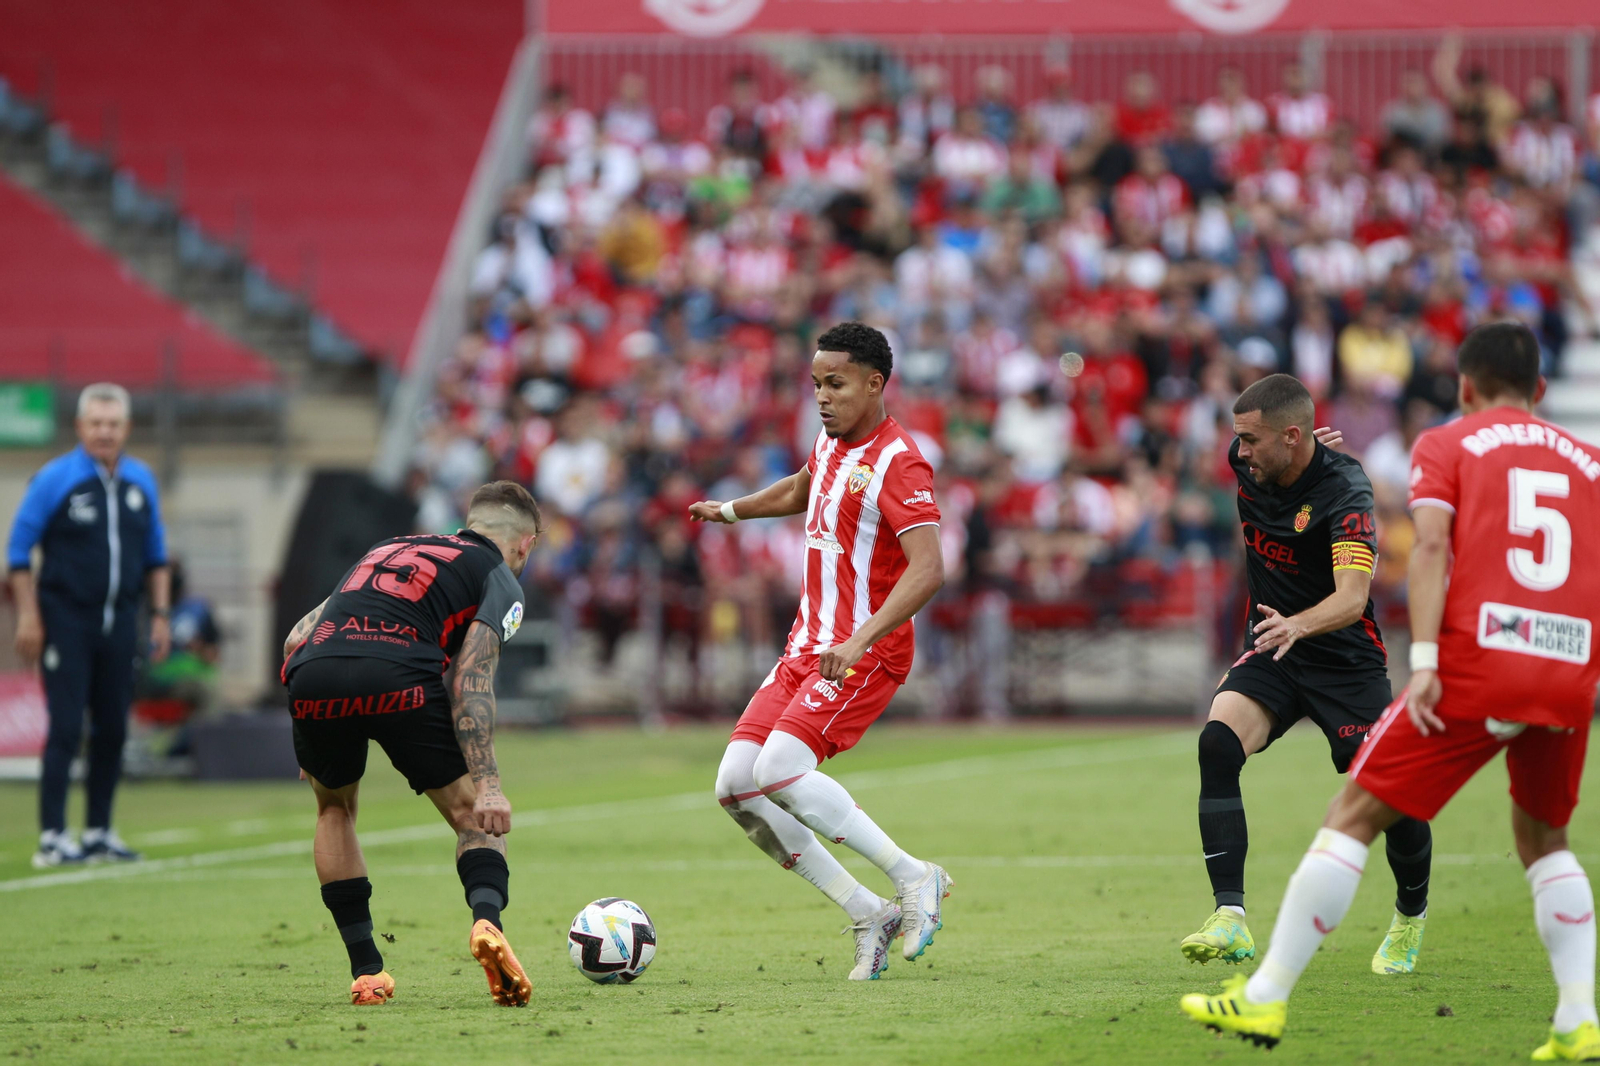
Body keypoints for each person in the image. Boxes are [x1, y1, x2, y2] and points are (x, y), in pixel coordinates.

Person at [1180, 322, 1600, 1058]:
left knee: (1366, 808)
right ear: (1539, 389)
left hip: (1363, 656)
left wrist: (1429, 658)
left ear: (1464, 388)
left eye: (1254, 440)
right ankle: (1577, 1021)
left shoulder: (1427, 453)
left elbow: (1405, 563)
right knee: (1546, 841)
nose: (1240, 452)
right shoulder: (1590, 460)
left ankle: (1356, 947)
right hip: (1563, 662)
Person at [689, 321, 951, 982]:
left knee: (778, 768)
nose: (822, 397)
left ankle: (913, 876)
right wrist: (732, 510)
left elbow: (929, 569)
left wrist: (859, 639)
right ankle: (868, 911)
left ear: (874, 382)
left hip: (867, 652)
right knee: (736, 788)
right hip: (809, 646)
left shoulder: (901, 462)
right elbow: (804, 487)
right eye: (815, 385)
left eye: (834, 384)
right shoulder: (832, 443)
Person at [1180, 374, 1434, 979]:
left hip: (1344, 658)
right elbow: (1251, 448)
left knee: (1388, 792)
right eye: (1237, 440)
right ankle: (1230, 917)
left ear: (1291, 437)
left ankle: (1410, 916)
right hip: (1275, 643)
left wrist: (1299, 624)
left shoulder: (1346, 491)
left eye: (1252, 441)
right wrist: (1285, 629)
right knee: (1217, 743)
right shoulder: (1252, 460)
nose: (1238, 453)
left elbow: (1352, 597)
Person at [279, 481, 540, 1007]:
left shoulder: (387, 550)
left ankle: (367, 973)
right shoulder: (499, 578)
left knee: (335, 811)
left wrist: (309, 731)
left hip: (315, 675)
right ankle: (486, 924)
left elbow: (296, 637)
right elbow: (471, 677)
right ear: (524, 545)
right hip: (398, 673)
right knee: (471, 817)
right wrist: (488, 786)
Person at [7, 382, 170, 868]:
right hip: (66, 621)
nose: (104, 431)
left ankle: (99, 831)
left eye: (113, 424)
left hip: (120, 620)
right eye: (96, 423)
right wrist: (30, 617)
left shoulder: (142, 481)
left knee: (114, 729)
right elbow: (18, 555)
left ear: (126, 428)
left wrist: (159, 616)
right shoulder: (55, 479)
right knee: (64, 726)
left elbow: (156, 558)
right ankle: (54, 836)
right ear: (80, 427)